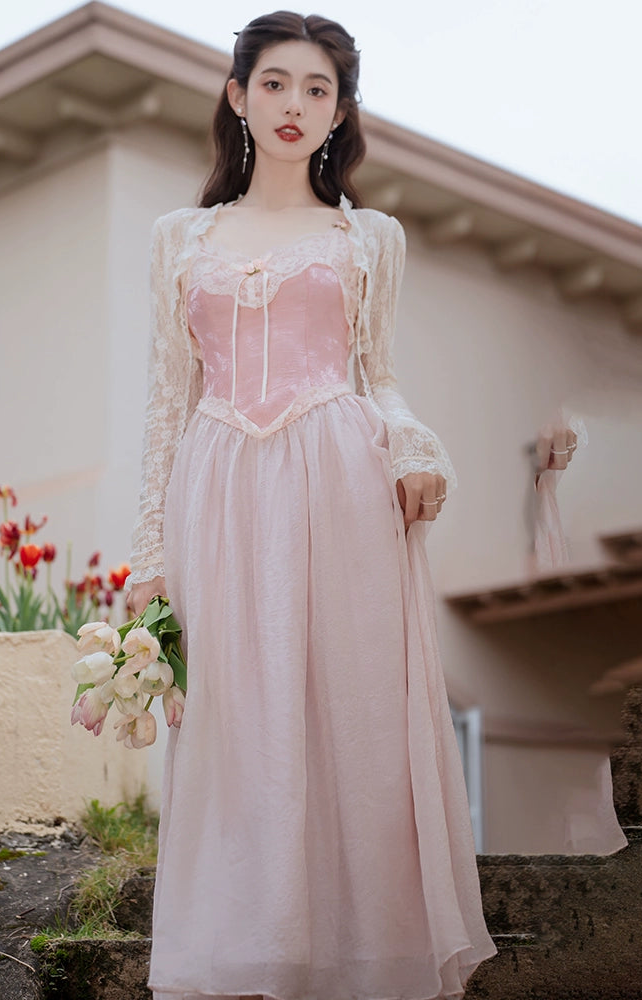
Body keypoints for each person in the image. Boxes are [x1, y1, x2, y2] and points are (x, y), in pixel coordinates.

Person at [127, 11, 497, 999]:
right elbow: (166, 405)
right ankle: (245, 956)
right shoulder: (178, 238)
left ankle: (363, 958)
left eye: (319, 88)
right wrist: (148, 563)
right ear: (238, 95)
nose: (296, 104)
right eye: (278, 83)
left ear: (340, 112)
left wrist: (416, 446)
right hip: (218, 492)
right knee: (234, 721)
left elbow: (381, 374)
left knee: (353, 716)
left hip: (340, 483)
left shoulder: (369, 236)